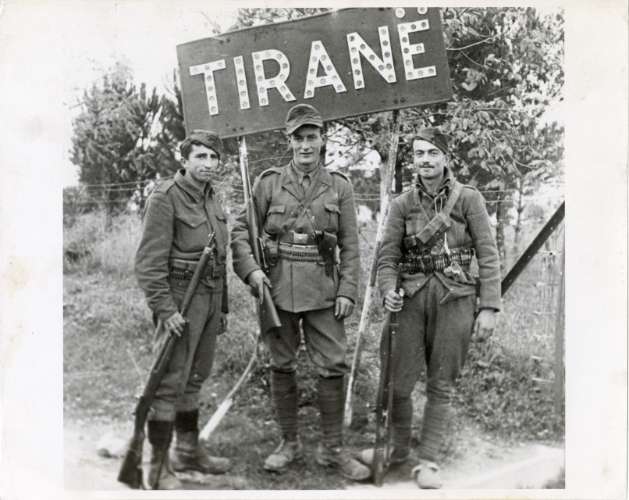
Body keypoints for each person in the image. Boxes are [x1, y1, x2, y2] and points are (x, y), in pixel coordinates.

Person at [231, 104, 371, 481]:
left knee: (333, 364)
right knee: (281, 363)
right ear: (289, 141)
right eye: (299, 138)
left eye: (312, 137)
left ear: (322, 140)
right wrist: (252, 272)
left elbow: (350, 245)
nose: (306, 145)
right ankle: (289, 443)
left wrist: (348, 290)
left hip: (325, 288)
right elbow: (241, 231)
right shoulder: (268, 183)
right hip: (277, 288)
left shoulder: (339, 186)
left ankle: (332, 449)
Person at [359, 127, 501, 488]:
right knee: (397, 382)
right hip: (409, 300)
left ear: (445, 158)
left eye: (432, 153)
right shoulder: (402, 204)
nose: (425, 160)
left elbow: (488, 254)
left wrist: (489, 307)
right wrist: (388, 289)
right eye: (419, 153)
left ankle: (428, 462)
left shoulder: (469, 199)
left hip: (456, 299)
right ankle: (397, 451)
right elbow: (387, 257)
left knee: (441, 384)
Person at [135, 130, 232, 489]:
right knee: (168, 381)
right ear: (185, 160)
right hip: (180, 299)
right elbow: (149, 263)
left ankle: (187, 452)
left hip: (209, 299)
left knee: (195, 377)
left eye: (213, 157)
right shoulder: (166, 197)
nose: (208, 163)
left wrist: (222, 307)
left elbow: (220, 257)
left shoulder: (212, 198)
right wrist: (166, 309)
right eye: (200, 156)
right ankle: (157, 467)